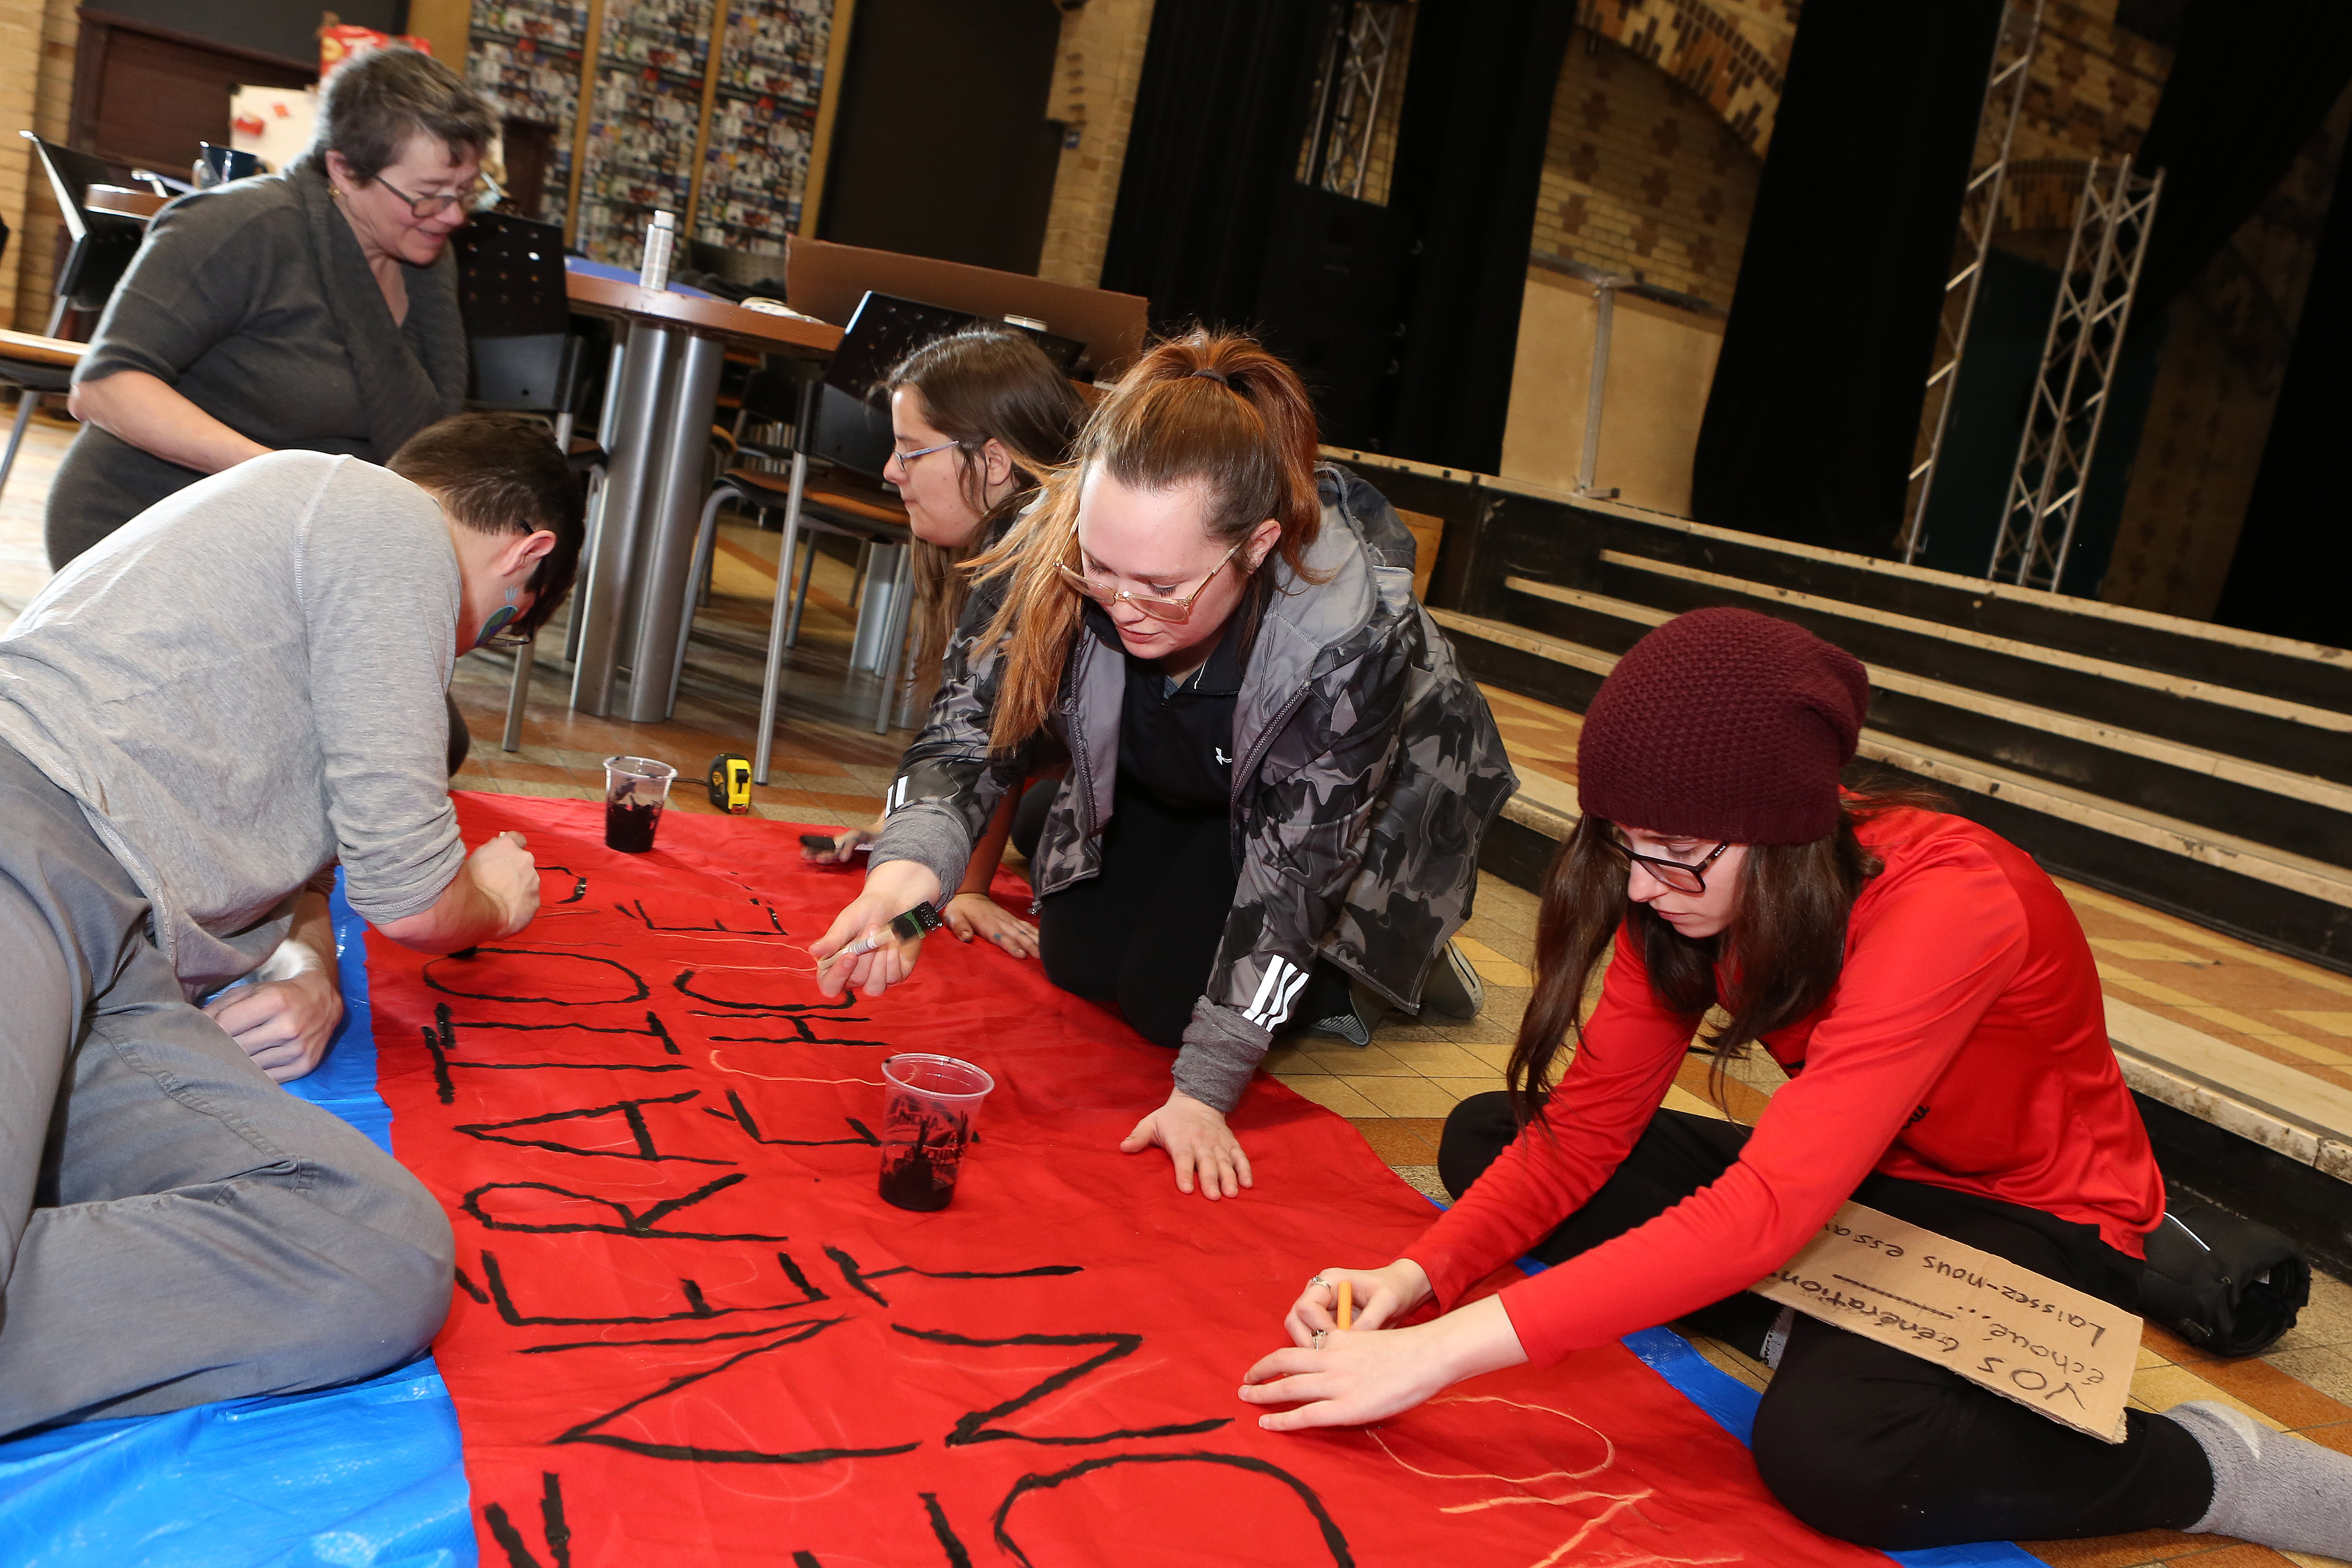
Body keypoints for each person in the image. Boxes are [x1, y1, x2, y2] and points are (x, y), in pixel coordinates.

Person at [1238, 608, 2352, 1562]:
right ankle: (1826, 1321)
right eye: (1624, 844)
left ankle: (2212, 1466)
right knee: (1493, 1136)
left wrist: (1436, 1354)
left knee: (1837, 1461)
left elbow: (1767, 1209)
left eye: (1673, 852)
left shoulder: (1952, 900)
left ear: (1779, 834)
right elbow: (1582, 1134)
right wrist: (1414, 1274)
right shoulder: (1683, 892)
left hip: (2035, 1220)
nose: (1642, 883)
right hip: (1856, 1190)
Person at [811, 331, 1515, 1200]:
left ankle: (1375, 957)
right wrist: (902, 881)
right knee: (1082, 963)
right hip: (1187, 766)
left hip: (1366, 809)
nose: (1121, 605)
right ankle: (1077, 828)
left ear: (1255, 549)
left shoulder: (1341, 639)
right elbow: (966, 735)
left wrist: (1204, 1090)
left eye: (1161, 585)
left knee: (1165, 1005)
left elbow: (1297, 873)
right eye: (1099, 570)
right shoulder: (1054, 549)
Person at [0, 413, 579, 1436]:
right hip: (31, 840)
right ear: (526, 555)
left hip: (124, 961)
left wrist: (308, 954)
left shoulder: (304, 596)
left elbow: (309, 866)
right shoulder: (385, 515)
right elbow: (406, 892)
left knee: (376, 1252)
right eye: (496, 624)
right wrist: (492, 895)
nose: (460, 649)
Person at [50, 45, 493, 569]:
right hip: (145, 526)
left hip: (295, 543)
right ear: (345, 171)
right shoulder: (242, 227)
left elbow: (429, 441)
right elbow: (104, 388)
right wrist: (286, 479)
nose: (451, 217)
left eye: (466, 192)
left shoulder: (425, 261)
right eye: (429, 193)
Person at [801, 327, 1086, 961]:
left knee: (1089, 955)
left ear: (992, 462)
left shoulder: (1042, 550)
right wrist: (933, 861)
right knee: (1048, 826)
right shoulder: (1008, 536)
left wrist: (934, 880)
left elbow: (984, 735)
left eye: (910, 451)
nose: (888, 470)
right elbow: (988, 728)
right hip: (1102, 781)